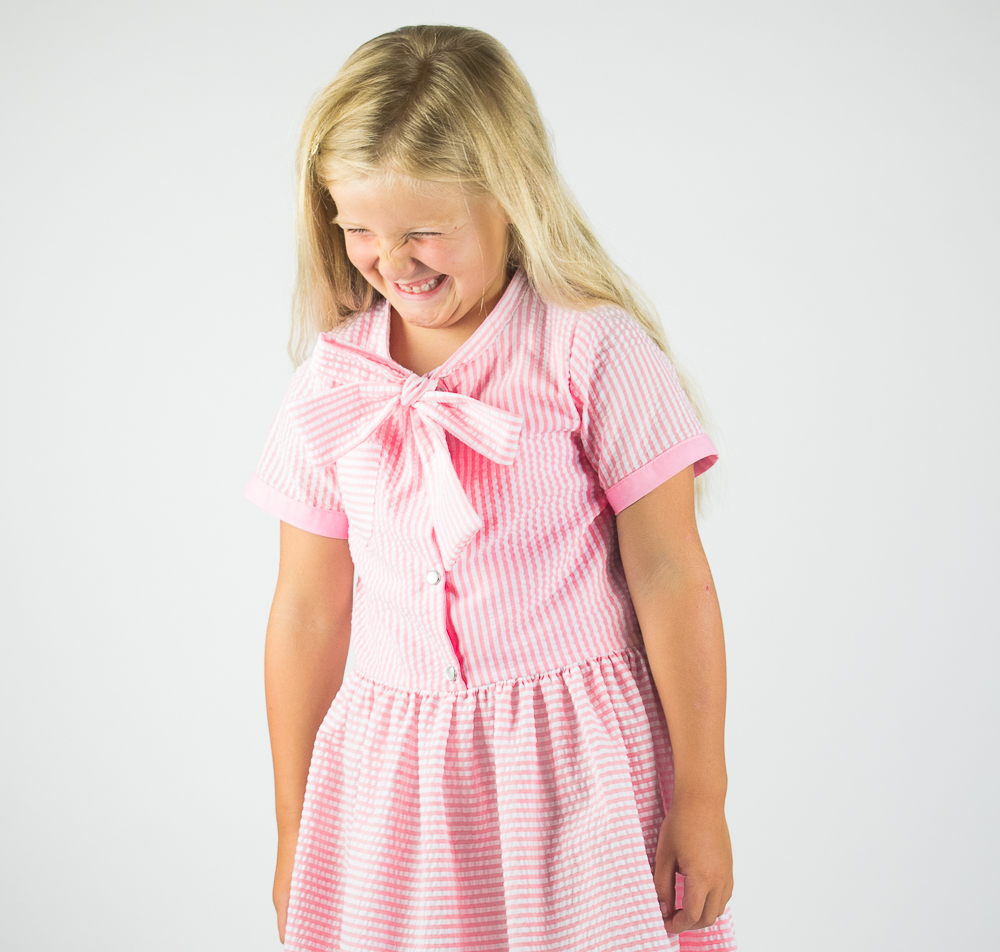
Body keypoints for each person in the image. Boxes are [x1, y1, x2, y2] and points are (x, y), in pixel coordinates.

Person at [245, 24, 738, 952]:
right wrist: (292, 827)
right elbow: (308, 611)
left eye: (423, 232)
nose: (392, 261)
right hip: (396, 787)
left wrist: (702, 796)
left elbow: (672, 576)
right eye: (359, 230)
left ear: (512, 197)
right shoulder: (332, 381)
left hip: (575, 773)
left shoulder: (589, 350)